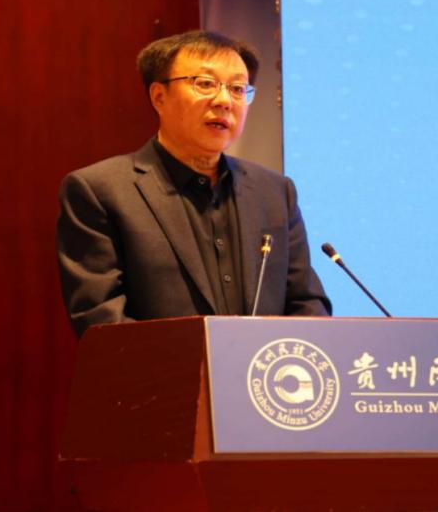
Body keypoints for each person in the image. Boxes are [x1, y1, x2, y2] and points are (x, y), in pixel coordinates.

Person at [56, 31, 331, 337]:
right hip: (164, 369)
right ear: (159, 96)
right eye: (205, 84)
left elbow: (307, 302)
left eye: (237, 89)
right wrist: (207, 361)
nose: (224, 101)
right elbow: (102, 321)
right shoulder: (101, 191)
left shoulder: (274, 192)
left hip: (264, 368)